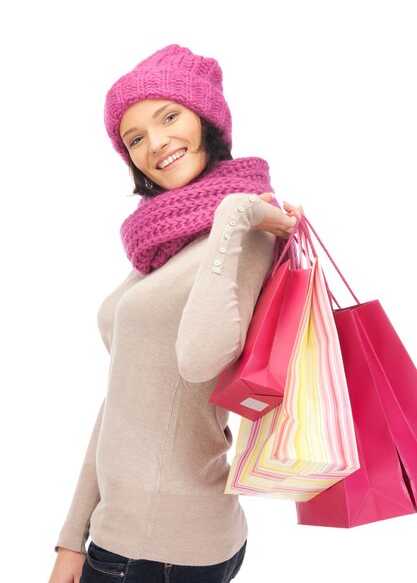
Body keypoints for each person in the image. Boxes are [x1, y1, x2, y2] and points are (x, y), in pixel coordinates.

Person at [48, 44, 301, 583]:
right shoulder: (163, 245)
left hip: (157, 551)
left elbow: (199, 360)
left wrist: (236, 215)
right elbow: (123, 402)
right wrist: (73, 536)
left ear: (206, 120)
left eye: (169, 117)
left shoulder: (245, 229)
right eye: (135, 138)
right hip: (128, 536)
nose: (155, 143)